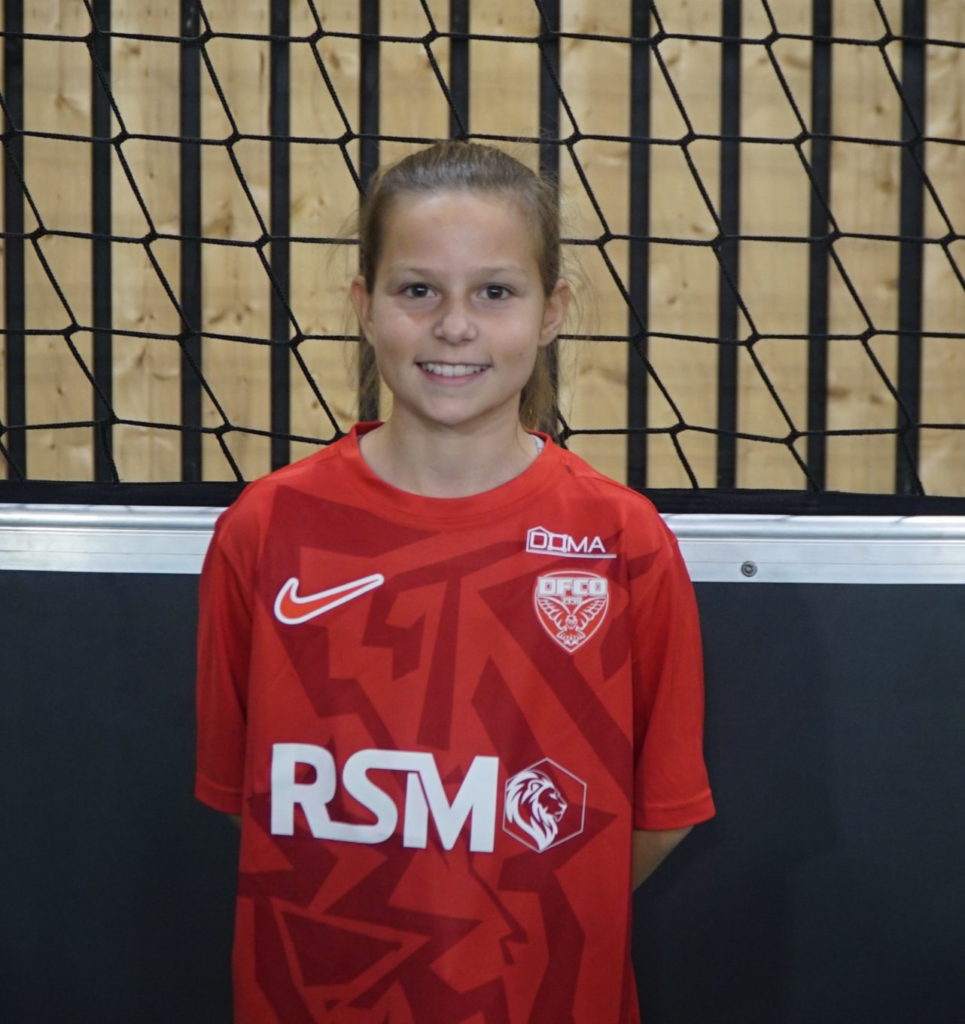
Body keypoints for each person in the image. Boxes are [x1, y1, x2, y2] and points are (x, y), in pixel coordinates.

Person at [195, 140, 714, 1024]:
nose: (454, 326)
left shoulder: (619, 539)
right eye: (417, 290)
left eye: (495, 292)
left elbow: (660, 814)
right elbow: (245, 794)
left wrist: (505, 907)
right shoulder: (268, 527)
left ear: (551, 312)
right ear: (364, 307)